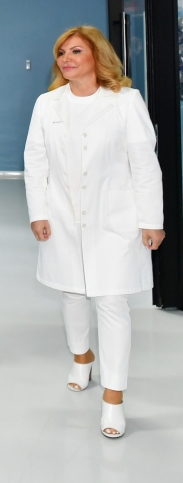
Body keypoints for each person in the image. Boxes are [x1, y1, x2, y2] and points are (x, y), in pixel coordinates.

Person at [24, 26, 163, 439]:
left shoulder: (125, 101)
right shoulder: (47, 104)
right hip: (63, 217)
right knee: (71, 292)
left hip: (116, 219)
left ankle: (114, 398)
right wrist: (38, 212)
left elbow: (144, 163)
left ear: (97, 56)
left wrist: (151, 219)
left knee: (112, 301)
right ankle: (82, 356)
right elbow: (35, 162)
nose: (66, 59)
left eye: (76, 51)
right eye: (61, 53)